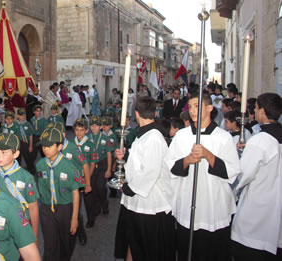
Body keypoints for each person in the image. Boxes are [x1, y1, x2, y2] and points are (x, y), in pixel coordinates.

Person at [165, 93, 240, 261]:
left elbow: (232, 171)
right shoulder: (181, 136)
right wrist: (187, 160)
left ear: (209, 108)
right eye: (190, 106)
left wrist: (208, 155)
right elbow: (170, 166)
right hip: (186, 205)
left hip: (213, 207)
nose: (192, 110)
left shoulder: (223, 137)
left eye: (197, 106)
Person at [115, 96, 175, 261]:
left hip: (150, 206)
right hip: (136, 204)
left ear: (136, 113)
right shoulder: (143, 135)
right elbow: (140, 164)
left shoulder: (154, 137)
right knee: (132, 243)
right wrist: (126, 157)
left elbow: (150, 171)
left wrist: (129, 188)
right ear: (154, 113)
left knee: (145, 250)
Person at [231, 93, 282, 260]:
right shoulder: (265, 140)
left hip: (257, 211)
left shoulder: (260, 141)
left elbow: (243, 175)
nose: (254, 111)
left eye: (256, 107)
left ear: (263, 110)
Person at [36, 127, 82, 261]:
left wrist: (74, 218)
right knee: (50, 245)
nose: (45, 149)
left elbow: (75, 193)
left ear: (59, 146)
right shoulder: (40, 165)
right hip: (46, 208)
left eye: (49, 146)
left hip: (64, 208)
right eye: (43, 146)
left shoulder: (68, 166)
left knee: (65, 242)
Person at [0, 133, 40, 242]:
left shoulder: (26, 177)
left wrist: (35, 235)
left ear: (16, 154)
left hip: (21, 222)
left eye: (3, 152)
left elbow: (33, 207)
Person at [57, 121, 90, 245]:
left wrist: (87, 184)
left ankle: (80, 233)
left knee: (74, 210)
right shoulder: (53, 149)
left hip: (75, 185)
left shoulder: (73, 148)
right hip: (60, 185)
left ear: (64, 134)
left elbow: (85, 165)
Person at [16, 108, 37, 175]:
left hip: (26, 143)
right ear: (18, 116)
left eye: (24, 115)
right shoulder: (16, 124)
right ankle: (17, 172)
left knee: (28, 158)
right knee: (17, 158)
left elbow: (30, 135)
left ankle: (32, 171)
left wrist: (30, 146)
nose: (23, 117)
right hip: (18, 143)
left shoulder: (28, 124)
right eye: (21, 115)